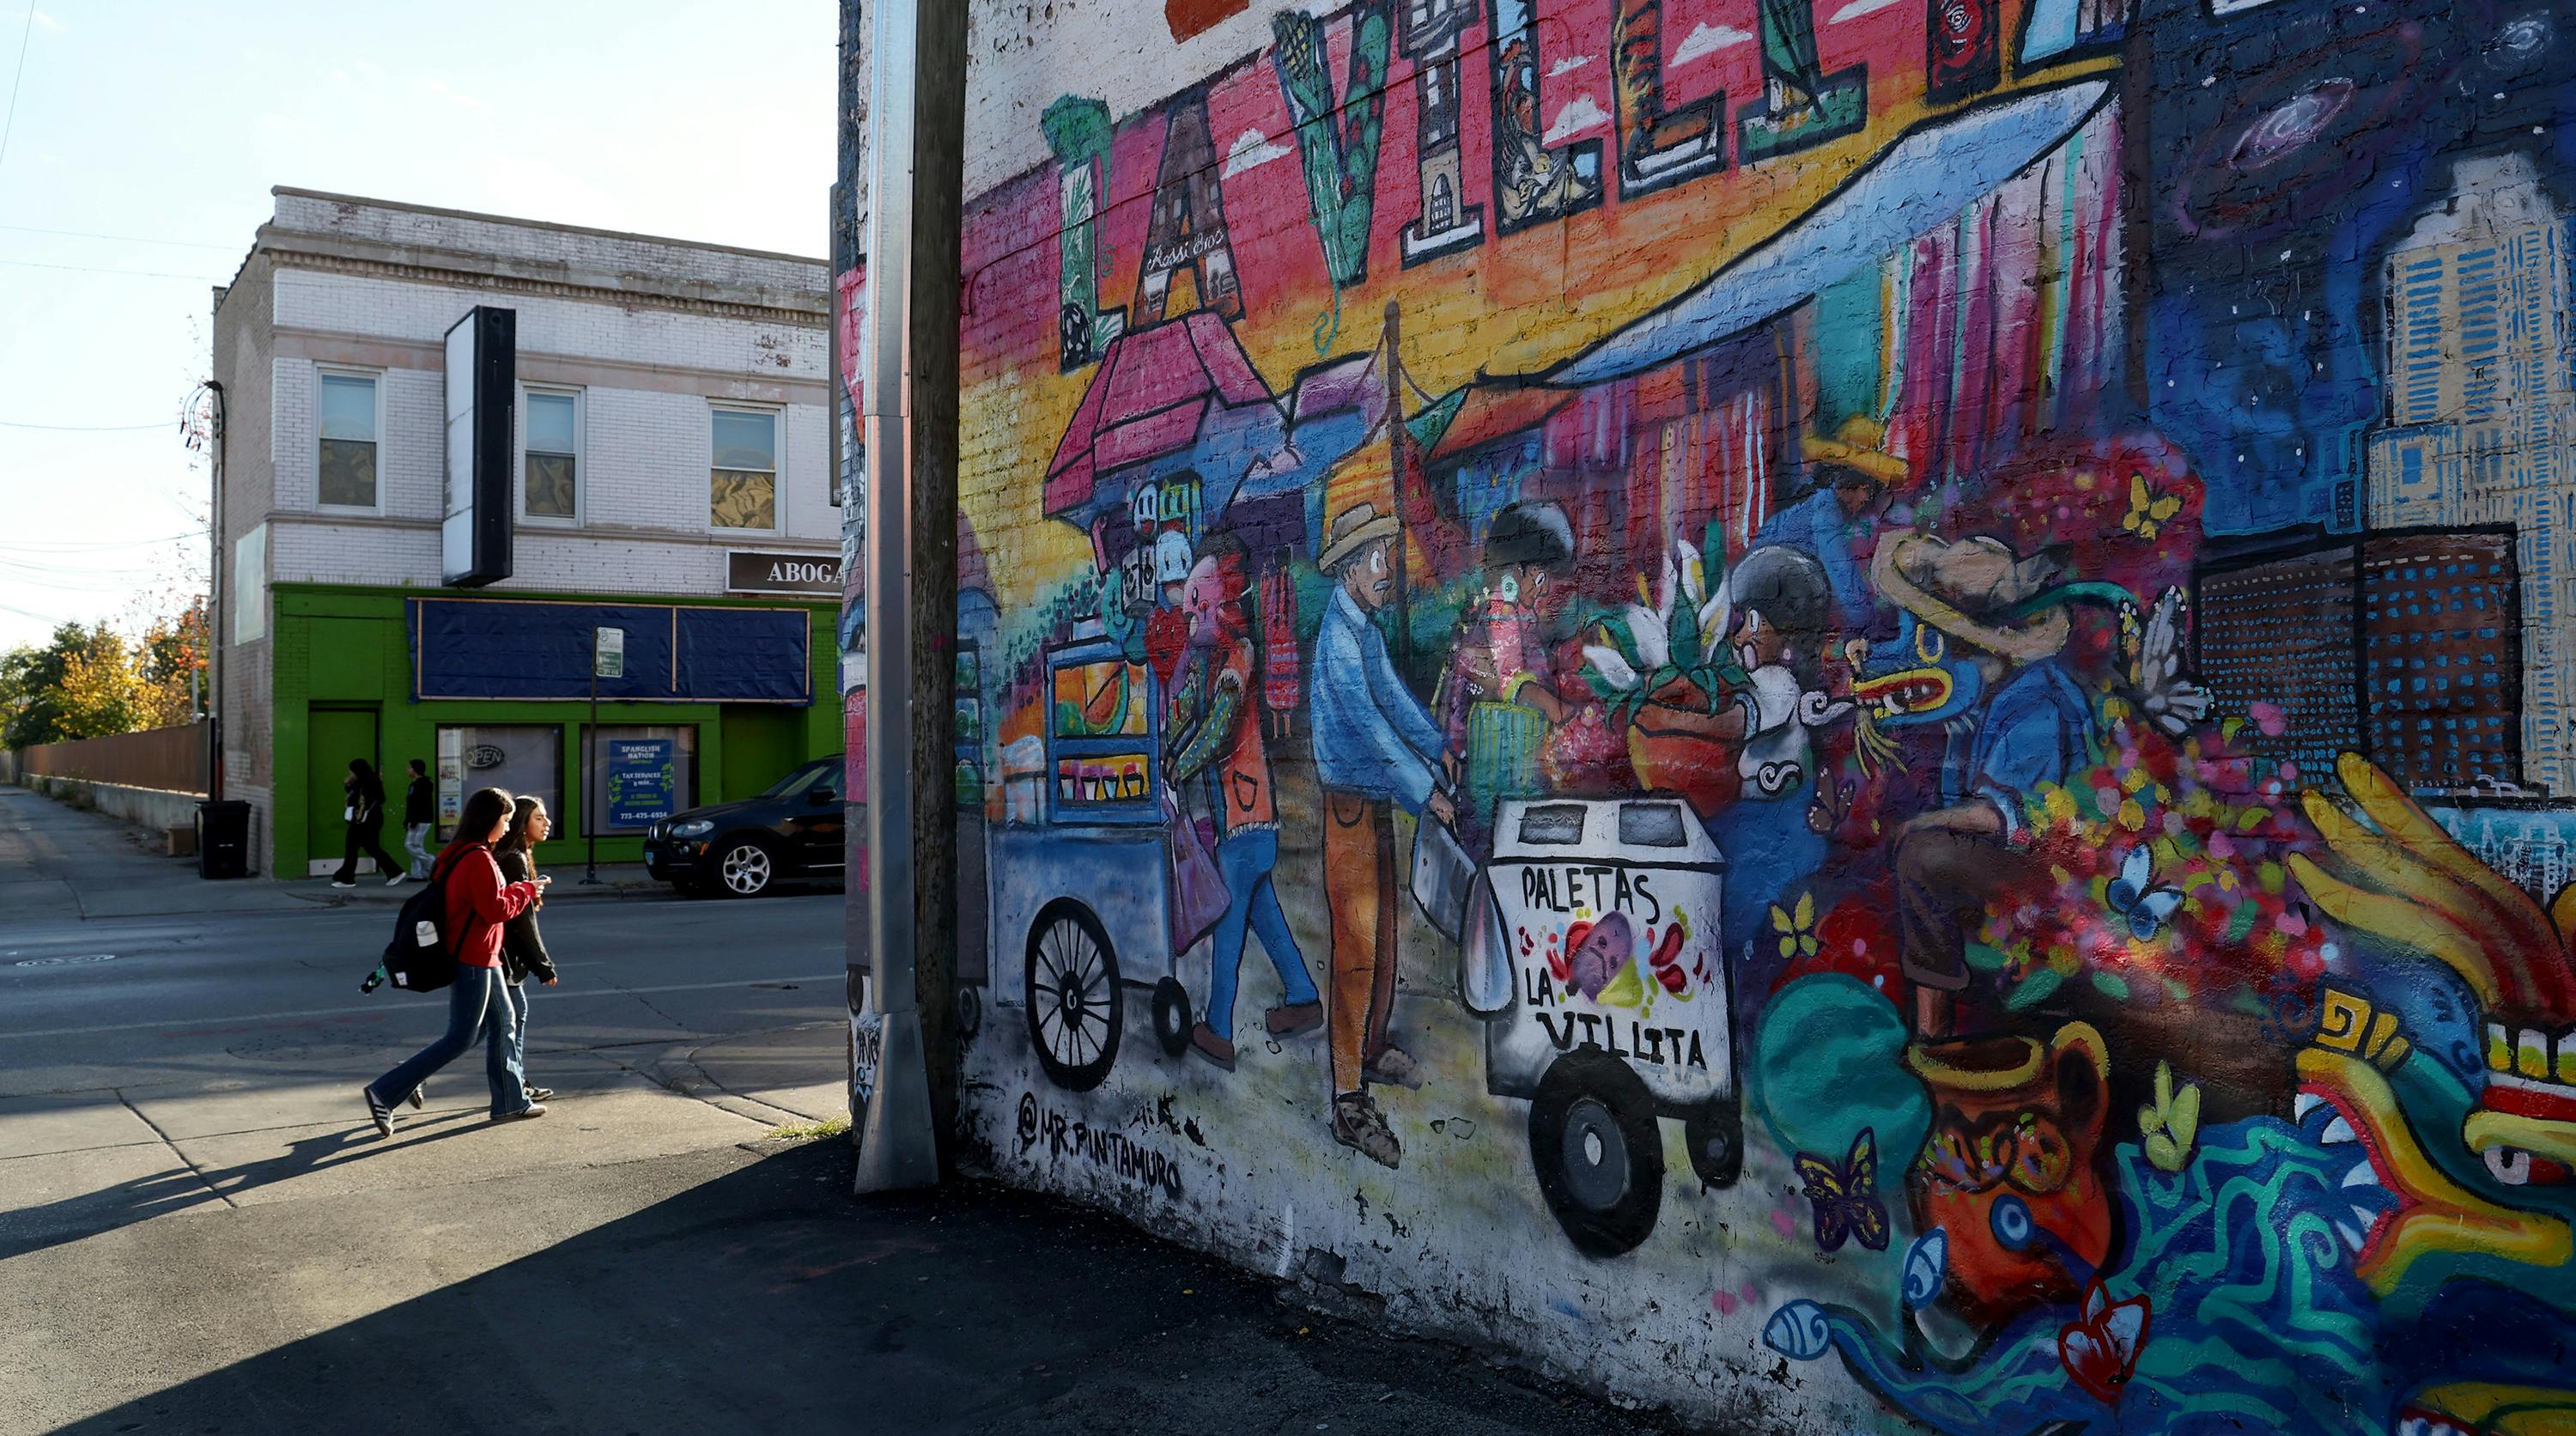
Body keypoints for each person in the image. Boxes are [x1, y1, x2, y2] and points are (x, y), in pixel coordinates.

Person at [1873, 533, 2089, 1044]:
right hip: (2004, 858)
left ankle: (1935, 1037)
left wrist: (1920, 825)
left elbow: (2002, 816)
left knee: (1923, 855)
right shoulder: (1977, 704)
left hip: (2051, 869)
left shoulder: (2036, 698)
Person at [1309, 502, 1456, 1170]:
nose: (1386, 569)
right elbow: (1370, 729)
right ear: (1347, 568)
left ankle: (1370, 1052)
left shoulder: (1361, 629)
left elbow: (1396, 702)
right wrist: (1426, 790)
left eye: (1384, 556)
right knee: (1356, 952)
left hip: (1373, 805)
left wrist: (1439, 746)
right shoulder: (1338, 640)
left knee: (1386, 937)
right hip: (1347, 807)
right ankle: (1347, 1100)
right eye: (1375, 559)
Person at [1163, 540, 1321, 1071]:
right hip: (1244, 823)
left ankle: (1218, 1031)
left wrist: (1179, 763)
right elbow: (1189, 717)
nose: (1191, 625)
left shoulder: (1239, 656)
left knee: (1228, 930)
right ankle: (1302, 998)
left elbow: (1218, 728)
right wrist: (1171, 735)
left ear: (1217, 604)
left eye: (1196, 612)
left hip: (1246, 820)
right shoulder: (1209, 665)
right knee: (1266, 919)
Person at [360, 786, 547, 1135]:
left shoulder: (463, 852)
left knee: (501, 1024)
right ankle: (385, 1091)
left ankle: (509, 1102)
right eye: (505, 820)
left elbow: (485, 902)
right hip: (474, 958)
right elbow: (494, 910)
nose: (508, 828)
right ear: (489, 820)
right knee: (462, 1037)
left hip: (482, 956)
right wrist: (526, 891)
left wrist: (516, 892)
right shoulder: (477, 858)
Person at [1437, 500, 1577, 853]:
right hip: (1484, 760)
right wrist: (1560, 711)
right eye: (1540, 576)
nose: (1544, 589)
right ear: (1519, 568)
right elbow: (1512, 681)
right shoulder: (1502, 608)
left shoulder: (1512, 612)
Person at [1754, 415, 1907, 634]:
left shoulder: (1816, 502)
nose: (1867, 500)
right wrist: (1872, 623)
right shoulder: (1825, 511)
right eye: (1868, 489)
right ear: (1851, 484)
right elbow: (1841, 572)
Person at [494, 796, 561, 1105]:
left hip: (503, 956)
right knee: (505, 1019)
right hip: (503, 957)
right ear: (522, 824)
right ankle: (515, 1087)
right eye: (538, 818)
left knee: (497, 1023)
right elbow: (521, 922)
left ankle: (518, 1083)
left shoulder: (517, 856)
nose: (546, 823)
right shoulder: (514, 859)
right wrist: (543, 966)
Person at [332, 758, 408, 889]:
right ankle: (395, 872)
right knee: (371, 848)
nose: (350, 773)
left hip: (363, 821)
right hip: (372, 820)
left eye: (351, 771)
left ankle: (347, 879)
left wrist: (350, 786)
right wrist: (349, 785)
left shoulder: (365, 783)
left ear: (357, 771)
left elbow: (359, 799)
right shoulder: (370, 780)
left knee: (353, 847)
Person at [401, 759, 436, 880]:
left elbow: (420, 804)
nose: (407, 769)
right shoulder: (414, 784)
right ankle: (417, 874)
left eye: (409, 767)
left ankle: (431, 861)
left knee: (409, 844)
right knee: (417, 845)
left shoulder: (423, 785)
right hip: (416, 819)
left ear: (415, 769)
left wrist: (413, 819)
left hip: (421, 819)